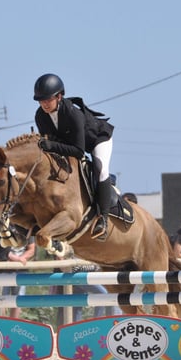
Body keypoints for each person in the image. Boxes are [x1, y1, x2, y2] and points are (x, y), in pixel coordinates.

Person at [33, 73, 115, 241]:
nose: (44, 104)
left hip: (97, 140)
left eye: (48, 100)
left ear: (59, 96)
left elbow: (78, 151)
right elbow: (50, 143)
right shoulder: (40, 116)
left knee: (100, 169)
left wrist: (51, 146)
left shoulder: (73, 114)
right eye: (41, 101)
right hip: (71, 145)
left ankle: (103, 220)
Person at [0, 234, 36, 318]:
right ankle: (1, 324)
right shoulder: (3, 228)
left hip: (18, 269)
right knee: (1, 300)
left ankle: (12, 325)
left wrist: (19, 260)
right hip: (1, 270)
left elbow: (31, 249)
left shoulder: (26, 228)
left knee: (17, 300)